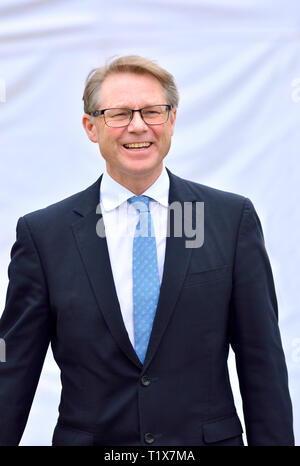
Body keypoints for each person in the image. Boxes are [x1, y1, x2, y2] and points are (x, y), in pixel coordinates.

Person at [0, 55, 294, 446]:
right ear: (91, 126)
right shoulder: (44, 235)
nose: (138, 126)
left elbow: (263, 363)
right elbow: (13, 368)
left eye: (152, 112)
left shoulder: (229, 220)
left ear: (172, 120)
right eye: (118, 114)